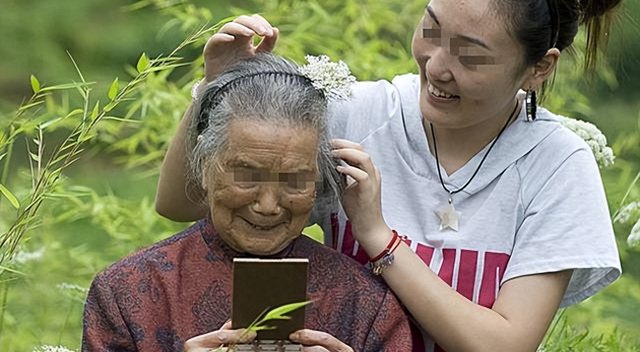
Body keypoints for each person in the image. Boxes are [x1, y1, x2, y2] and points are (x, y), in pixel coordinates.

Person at [155, 0, 628, 351]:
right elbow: (182, 202)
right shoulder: (353, 113)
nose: (437, 65)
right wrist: (214, 89)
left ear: (538, 67)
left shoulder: (557, 165)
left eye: (470, 55)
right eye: (431, 30)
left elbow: (503, 344)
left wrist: (378, 237)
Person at [82, 53, 412, 352]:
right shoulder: (128, 293)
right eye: (246, 176)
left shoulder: (366, 307)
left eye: (294, 181)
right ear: (204, 165)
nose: (268, 205)